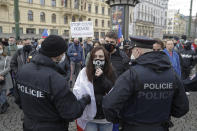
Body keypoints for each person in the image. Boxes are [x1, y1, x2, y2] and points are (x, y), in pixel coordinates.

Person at [102, 37, 189, 131]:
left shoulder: (131, 74)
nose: (132, 53)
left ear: (138, 51)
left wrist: (120, 120)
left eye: (132, 50)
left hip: (133, 127)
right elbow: (182, 108)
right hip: (161, 127)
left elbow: (109, 105)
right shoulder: (172, 74)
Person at [14, 35, 91, 131]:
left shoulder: (22, 70)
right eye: (63, 53)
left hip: (29, 125)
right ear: (58, 54)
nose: (64, 55)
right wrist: (84, 100)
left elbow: (18, 100)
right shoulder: (56, 79)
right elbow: (71, 112)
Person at [73, 46, 116, 131]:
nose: (98, 59)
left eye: (100, 57)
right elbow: (77, 91)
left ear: (105, 58)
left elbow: (114, 92)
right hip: (90, 119)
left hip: (106, 119)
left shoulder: (111, 72)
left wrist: (102, 77)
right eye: (95, 56)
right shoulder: (84, 72)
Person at [0, 44, 11, 113]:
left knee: (3, 91)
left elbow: (9, 67)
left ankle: (4, 105)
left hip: (5, 77)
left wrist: (0, 74)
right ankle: (5, 103)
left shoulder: (7, 57)